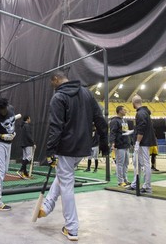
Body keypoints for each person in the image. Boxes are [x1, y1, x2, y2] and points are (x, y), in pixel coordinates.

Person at [38, 71, 109, 241]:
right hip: (83, 148)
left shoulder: (58, 98)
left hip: (66, 149)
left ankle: (72, 228)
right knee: (63, 176)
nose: (52, 86)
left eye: (52, 83)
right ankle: (47, 206)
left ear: (56, 79)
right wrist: (104, 143)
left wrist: (50, 151)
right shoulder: (86, 93)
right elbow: (100, 119)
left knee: (66, 184)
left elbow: (56, 127)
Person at [126, 95, 157, 194]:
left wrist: (138, 142)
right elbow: (140, 128)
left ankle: (147, 186)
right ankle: (135, 184)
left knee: (145, 164)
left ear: (133, 103)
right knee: (136, 163)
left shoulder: (141, 113)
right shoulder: (143, 112)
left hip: (143, 142)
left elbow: (142, 129)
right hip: (142, 141)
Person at [109, 105, 131, 187]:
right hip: (120, 145)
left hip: (126, 144)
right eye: (124, 110)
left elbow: (125, 132)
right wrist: (112, 143)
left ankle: (125, 179)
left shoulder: (124, 120)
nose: (126, 111)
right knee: (120, 163)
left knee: (126, 163)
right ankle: (120, 181)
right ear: (120, 111)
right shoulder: (114, 121)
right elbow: (112, 132)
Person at [17, 115, 35, 179]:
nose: (30, 119)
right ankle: (21, 170)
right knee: (29, 157)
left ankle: (25, 173)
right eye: (29, 118)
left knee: (25, 158)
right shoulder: (27, 126)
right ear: (27, 119)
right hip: (27, 144)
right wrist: (33, 143)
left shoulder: (23, 125)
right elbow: (28, 135)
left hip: (23, 144)